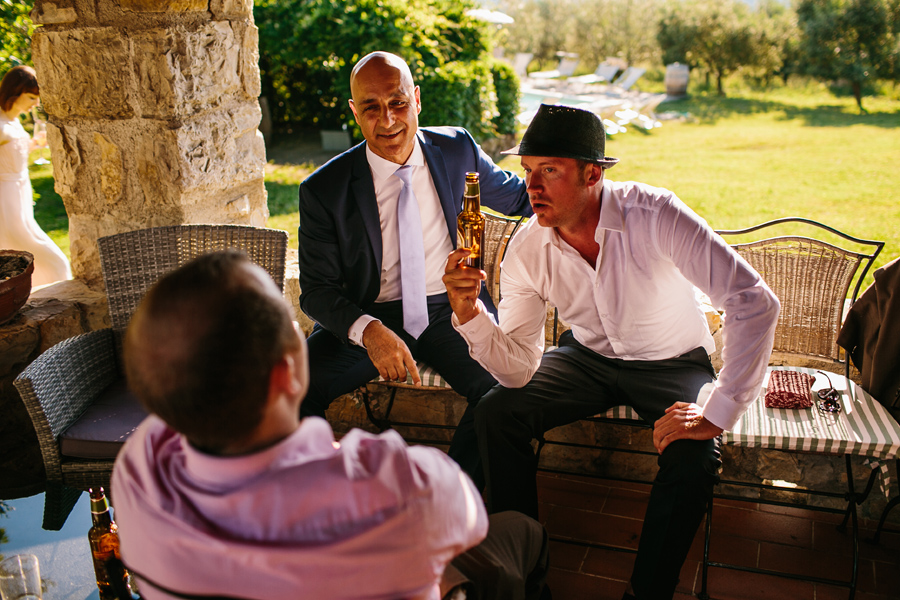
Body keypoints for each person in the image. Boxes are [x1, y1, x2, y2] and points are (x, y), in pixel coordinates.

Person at [442, 104, 781, 600]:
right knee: (497, 411)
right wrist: (469, 313)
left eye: (550, 171)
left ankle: (647, 594)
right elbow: (517, 370)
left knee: (694, 455)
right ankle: (521, 569)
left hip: (672, 361)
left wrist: (717, 411)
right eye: (528, 171)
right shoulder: (525, 250)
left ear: (593, 174)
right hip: (585, 358)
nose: (532, 187)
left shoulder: (656, 213)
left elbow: (754, 301)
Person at [112, 250, 551, 600]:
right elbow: (468, 522)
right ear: (288, 371)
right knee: (522, 534)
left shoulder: (138, 468)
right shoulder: (391, 481)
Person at [297, 51, 532, 487]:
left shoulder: (456, 149)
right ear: (354, 111)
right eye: (371, 107)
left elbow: (523, 198)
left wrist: (594, 190)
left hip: (452, 310)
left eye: (397, 102)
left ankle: (444, 499)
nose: (387, 120)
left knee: (502, 394)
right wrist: (367, 330)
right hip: (372, 315)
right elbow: (314, 290)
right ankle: (321, 507)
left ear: (417, 100)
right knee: (288, 392)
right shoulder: (323, 190)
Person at [0, 65, 71, 286]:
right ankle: (58, 279)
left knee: (21, 244)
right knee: (32, 247)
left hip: (20, 192)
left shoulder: (13, 120)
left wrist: (32, 145)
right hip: (6, 196)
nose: (36, 103)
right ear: (15, 92)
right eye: (31, 97)